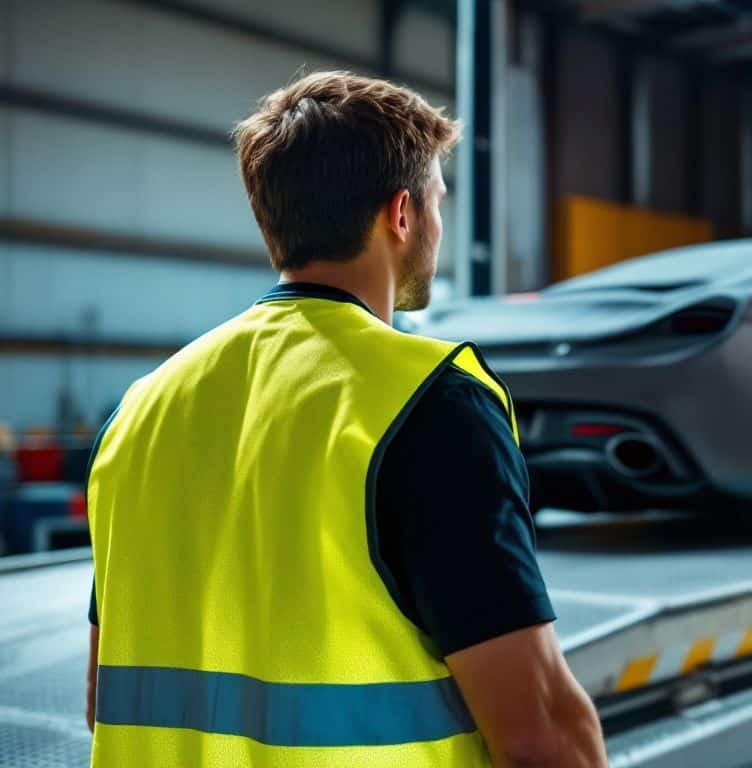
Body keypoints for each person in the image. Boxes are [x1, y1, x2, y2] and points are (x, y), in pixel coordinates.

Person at [84, 71, 604, 767]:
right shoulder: (429, 404)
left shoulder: (140, 410)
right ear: (401, 215)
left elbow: (102, 699)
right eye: (437, 202)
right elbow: (541, 736)